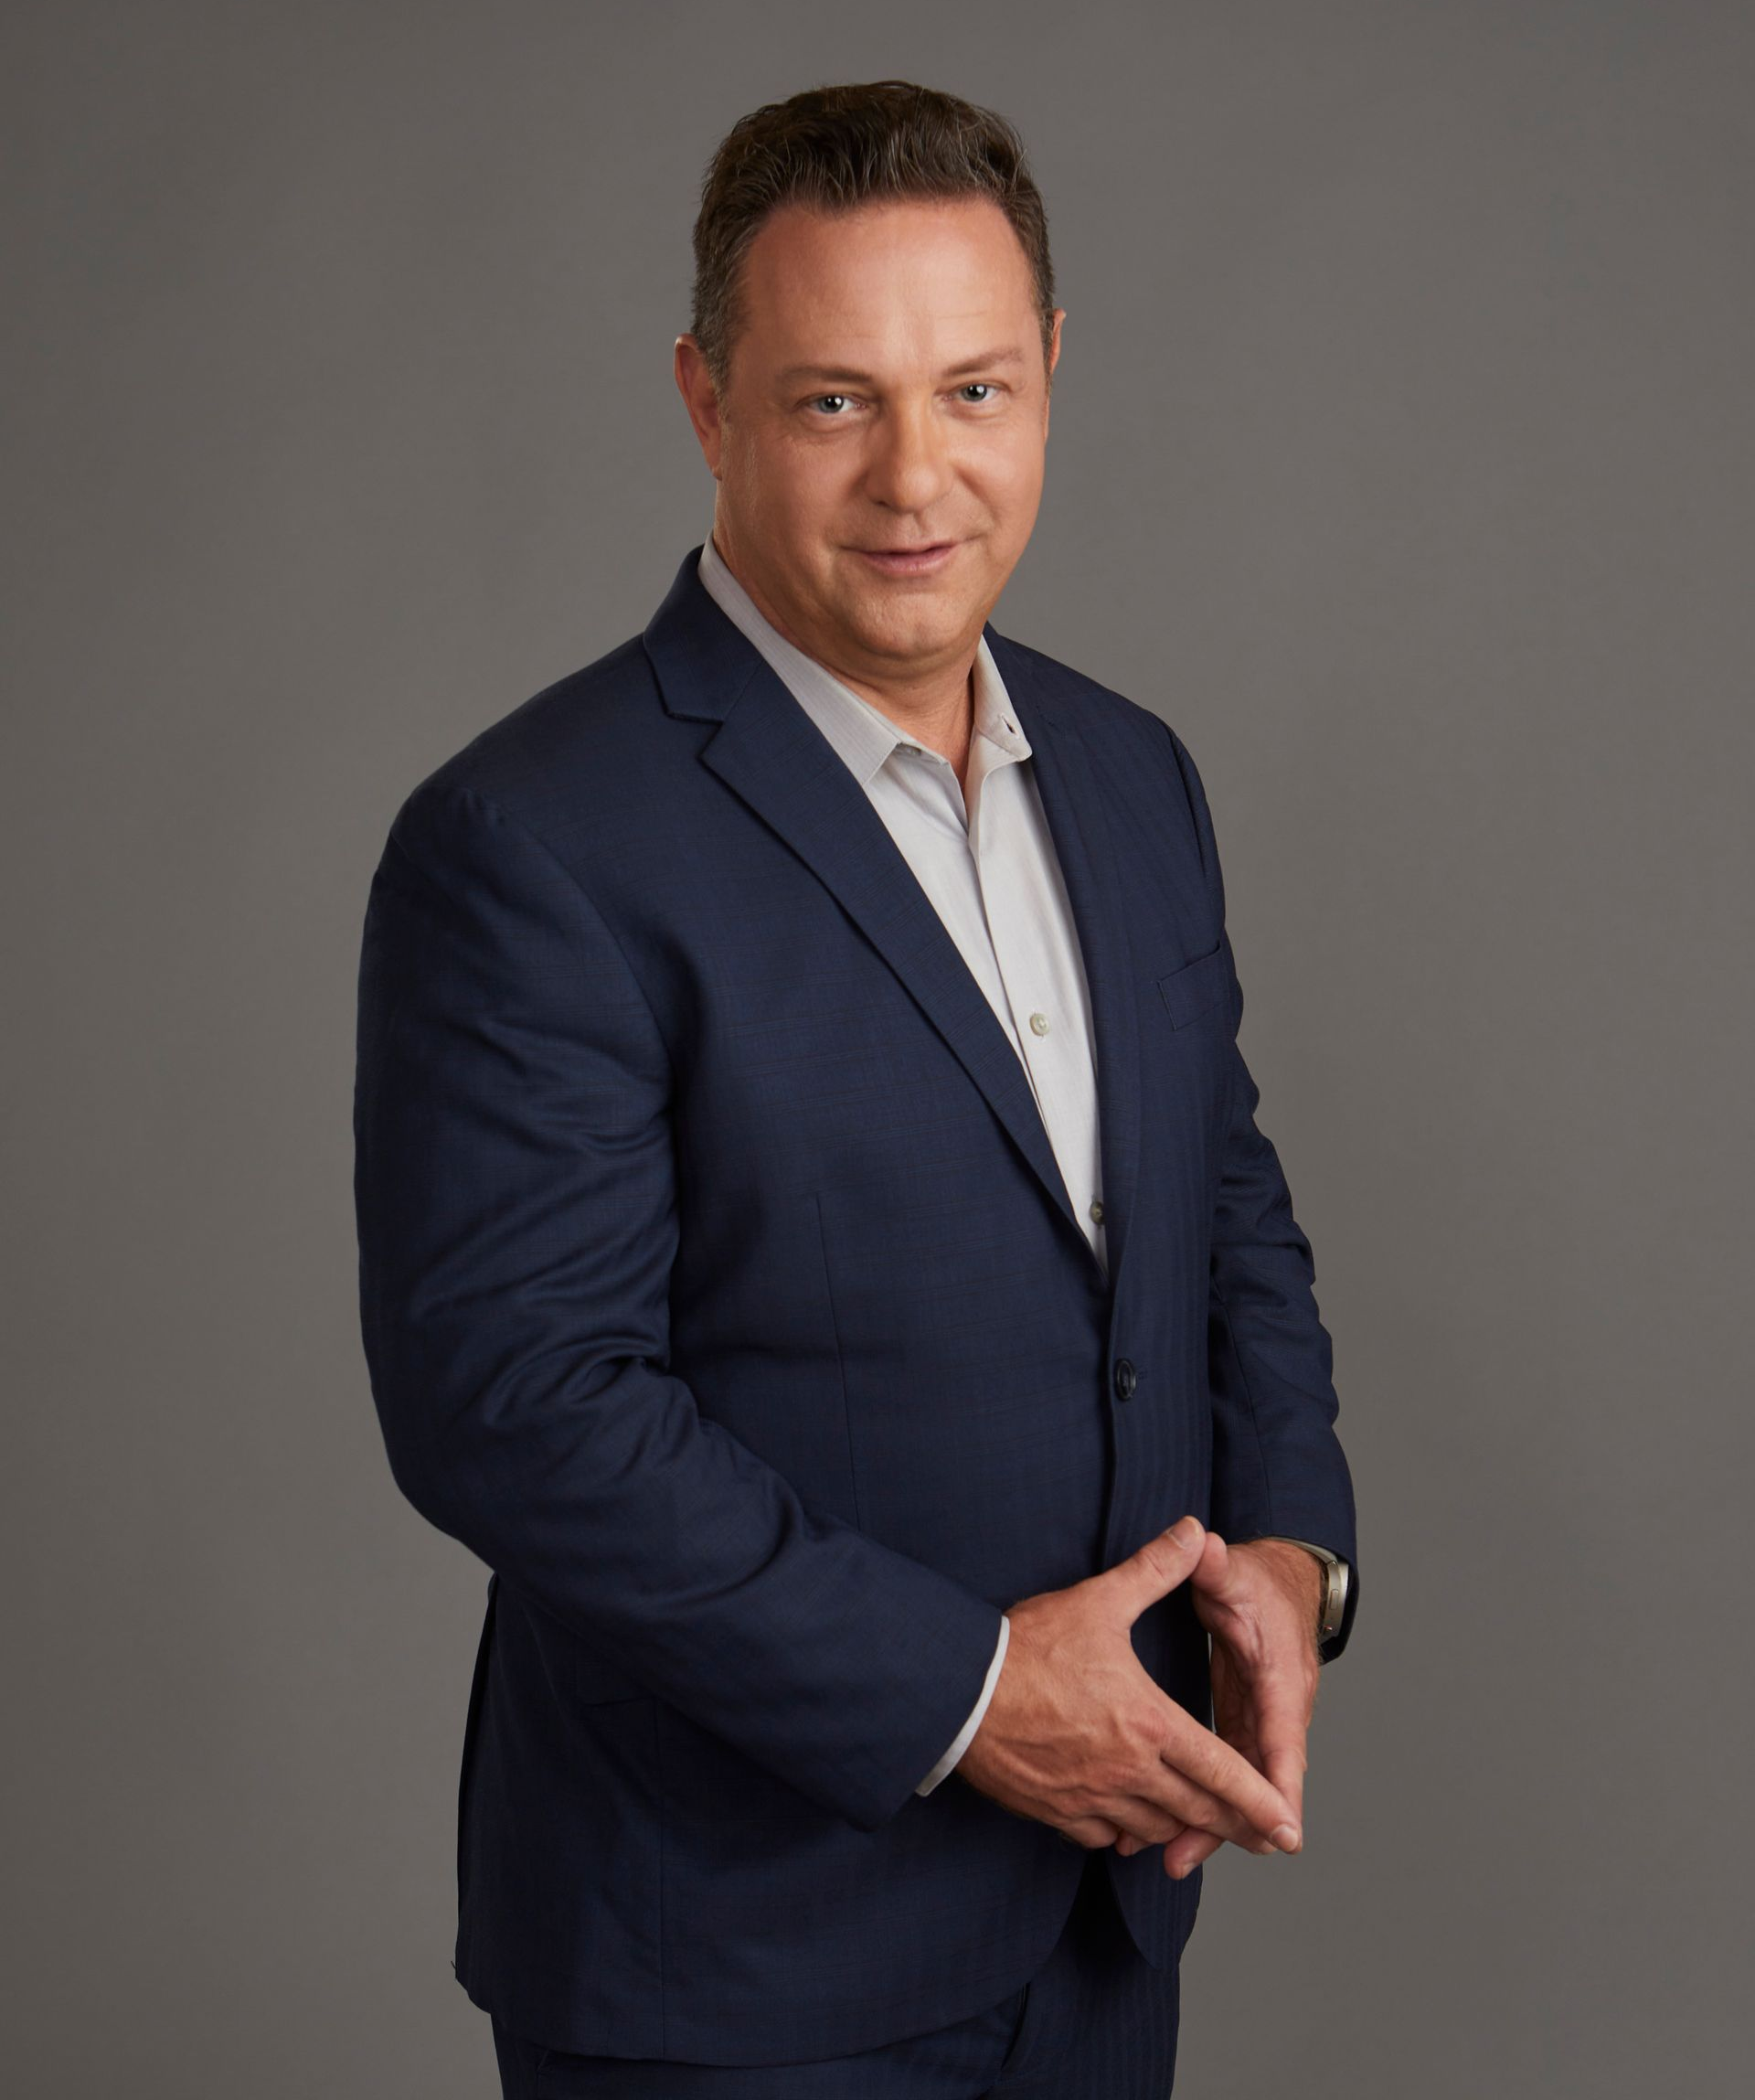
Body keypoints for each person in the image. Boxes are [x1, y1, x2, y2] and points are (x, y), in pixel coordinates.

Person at [353, 78, 1359, 2099]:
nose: (919, 474)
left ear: (1051, 373)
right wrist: (979, 1691)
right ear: (707, 399)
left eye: (973, 389)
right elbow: (514, 1404)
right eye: (833, 401)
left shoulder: (1134, 772)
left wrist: (1292, 1550)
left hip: (1101, 1918)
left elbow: (1215, 1194)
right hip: (727, 1960)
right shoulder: (530, 838)